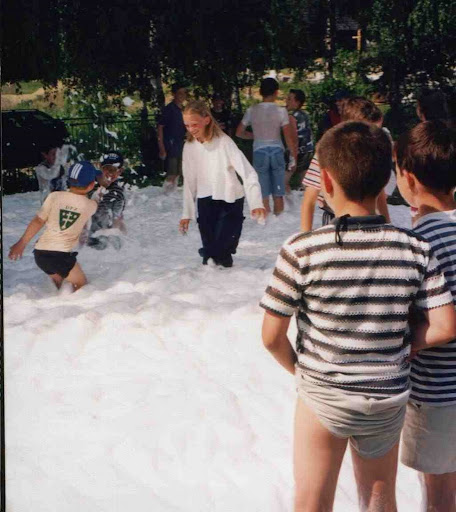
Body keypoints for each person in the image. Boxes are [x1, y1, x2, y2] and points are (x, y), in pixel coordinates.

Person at [260, 121, 456, 512]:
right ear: (385, 183)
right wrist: (400, 351)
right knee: (378, 500)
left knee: (312, 501)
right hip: (386, 397)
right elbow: (443, 325)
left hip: (323, 395)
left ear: (325, 181)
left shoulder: (302, 250)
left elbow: (270, 337)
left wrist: (301, 372)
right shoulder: (415, 248)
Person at [394, 120, 456, 512]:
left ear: (410, 178)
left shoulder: (420, 242)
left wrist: (407, 343)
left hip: (438, 392)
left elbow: (432, 323)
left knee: (439, 493)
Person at [179, 100, 265, 267]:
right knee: (210, 258)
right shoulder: (189, 146)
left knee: (222, 253)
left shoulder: (224, 142)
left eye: (194, 124)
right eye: (187, 125)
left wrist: (256, 202)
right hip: (205, 202)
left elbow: (248, 173)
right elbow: (189, 182)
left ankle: (231, 282)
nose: (191, 129)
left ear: (206, 120)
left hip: (230, 201)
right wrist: (186, 213)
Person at [300, 96, 391, 231]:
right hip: (336, 220)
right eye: (370, 131)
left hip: (368, 220)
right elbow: (309, 200)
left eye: (378, 130)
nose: (376, 138)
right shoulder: (327, 153)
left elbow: (380, 194)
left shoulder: (374, 154)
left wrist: (388, 225)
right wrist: (305, 235)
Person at [9, 161, 100, 291]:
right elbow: (96, 202)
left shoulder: (54, 196)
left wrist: (21, 243)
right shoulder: (90, 205)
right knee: (82, 287)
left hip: (40, 254)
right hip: (60, 255)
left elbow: (38, 221)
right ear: (91, 185)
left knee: (62, 285)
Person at [236, 77, 297, 215]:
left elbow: (239, 133)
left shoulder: (251, 110)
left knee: (263, 194)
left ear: (260, 92)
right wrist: (293, 157)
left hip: (259, 152)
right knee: (278, 193)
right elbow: (288, 137)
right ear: (276, 92)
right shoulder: (281, 111)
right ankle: (278, 222)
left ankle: (266, 222)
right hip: (277, 152)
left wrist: (255, 136)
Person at [86, 151, 126, 251]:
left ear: (120, 171)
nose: (109, 173)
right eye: (106, 169)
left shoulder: (118, 193)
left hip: (101, 235)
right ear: (100, 168)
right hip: (86, 233)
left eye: (113, 170)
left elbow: (117, 219)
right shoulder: (89, 185)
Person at [157, 84, 188, 193]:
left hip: (182, 143)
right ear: (174, 94)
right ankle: (165, 193)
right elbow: (160, 127)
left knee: (180, 171)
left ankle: (173, 193)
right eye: (180, 93)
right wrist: (161, 147)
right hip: (171, 145)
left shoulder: (184, 109)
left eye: (184, 93)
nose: (182, 95)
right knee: (172, 172)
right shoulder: (169, 109)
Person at [285, 89, 314, 191]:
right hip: (308, 149)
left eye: (289, 99)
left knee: (284, 180)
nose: (286, 101)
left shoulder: (292, 116)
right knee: (305, 179)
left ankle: (286, 196)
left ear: (297, 102)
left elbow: (294, 138)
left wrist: (293, 157)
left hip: (298, 150)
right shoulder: (304, 114)